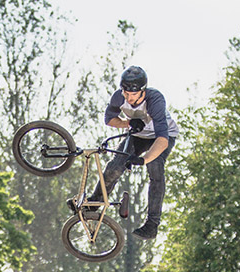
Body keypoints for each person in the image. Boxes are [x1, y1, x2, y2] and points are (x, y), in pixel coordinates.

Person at [75, 65, 178, 241]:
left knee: (155, 166)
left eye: (134, 95)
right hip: (137, 135)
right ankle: (95, 202)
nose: (129, 99)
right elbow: (109, 120)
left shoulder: (155, 100)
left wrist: (143, 160)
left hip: (161, 137)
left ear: (143, 91)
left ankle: (152, 224)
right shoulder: (119, 97)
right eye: (126, 93)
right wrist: (128, 123)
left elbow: (163, 140)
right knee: (115, 167)